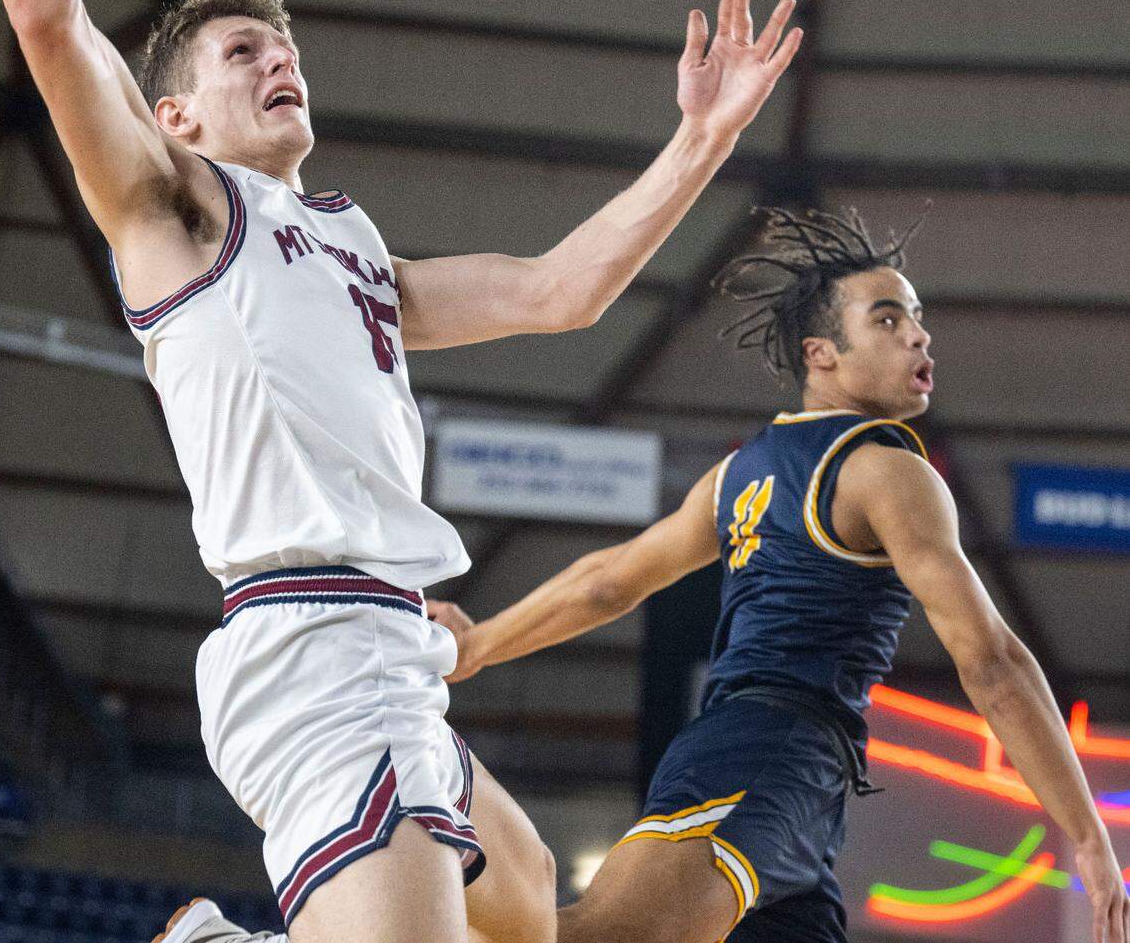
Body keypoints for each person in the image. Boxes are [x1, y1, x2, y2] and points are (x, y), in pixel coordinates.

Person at [0, 0, 802, 943]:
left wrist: (700, 142)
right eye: (242, 52)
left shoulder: (355, 250)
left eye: (287, 45)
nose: (279, 58)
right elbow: (42, 7)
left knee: (533, 898)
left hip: (392, 652)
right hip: (312, 648)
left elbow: (561, 292)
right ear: (174, 116)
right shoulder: (174, 214)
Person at [429, 205, 1130, 943]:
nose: (919, 334)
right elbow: (992, 660)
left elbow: (611, 580)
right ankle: (411, 873)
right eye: (888, 319)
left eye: (918, 317)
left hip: (795, 781)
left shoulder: (740, 472)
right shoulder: (888, 470)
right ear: (821, 352)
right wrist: (1087, 834)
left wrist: (480, 646)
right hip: (767, 748)